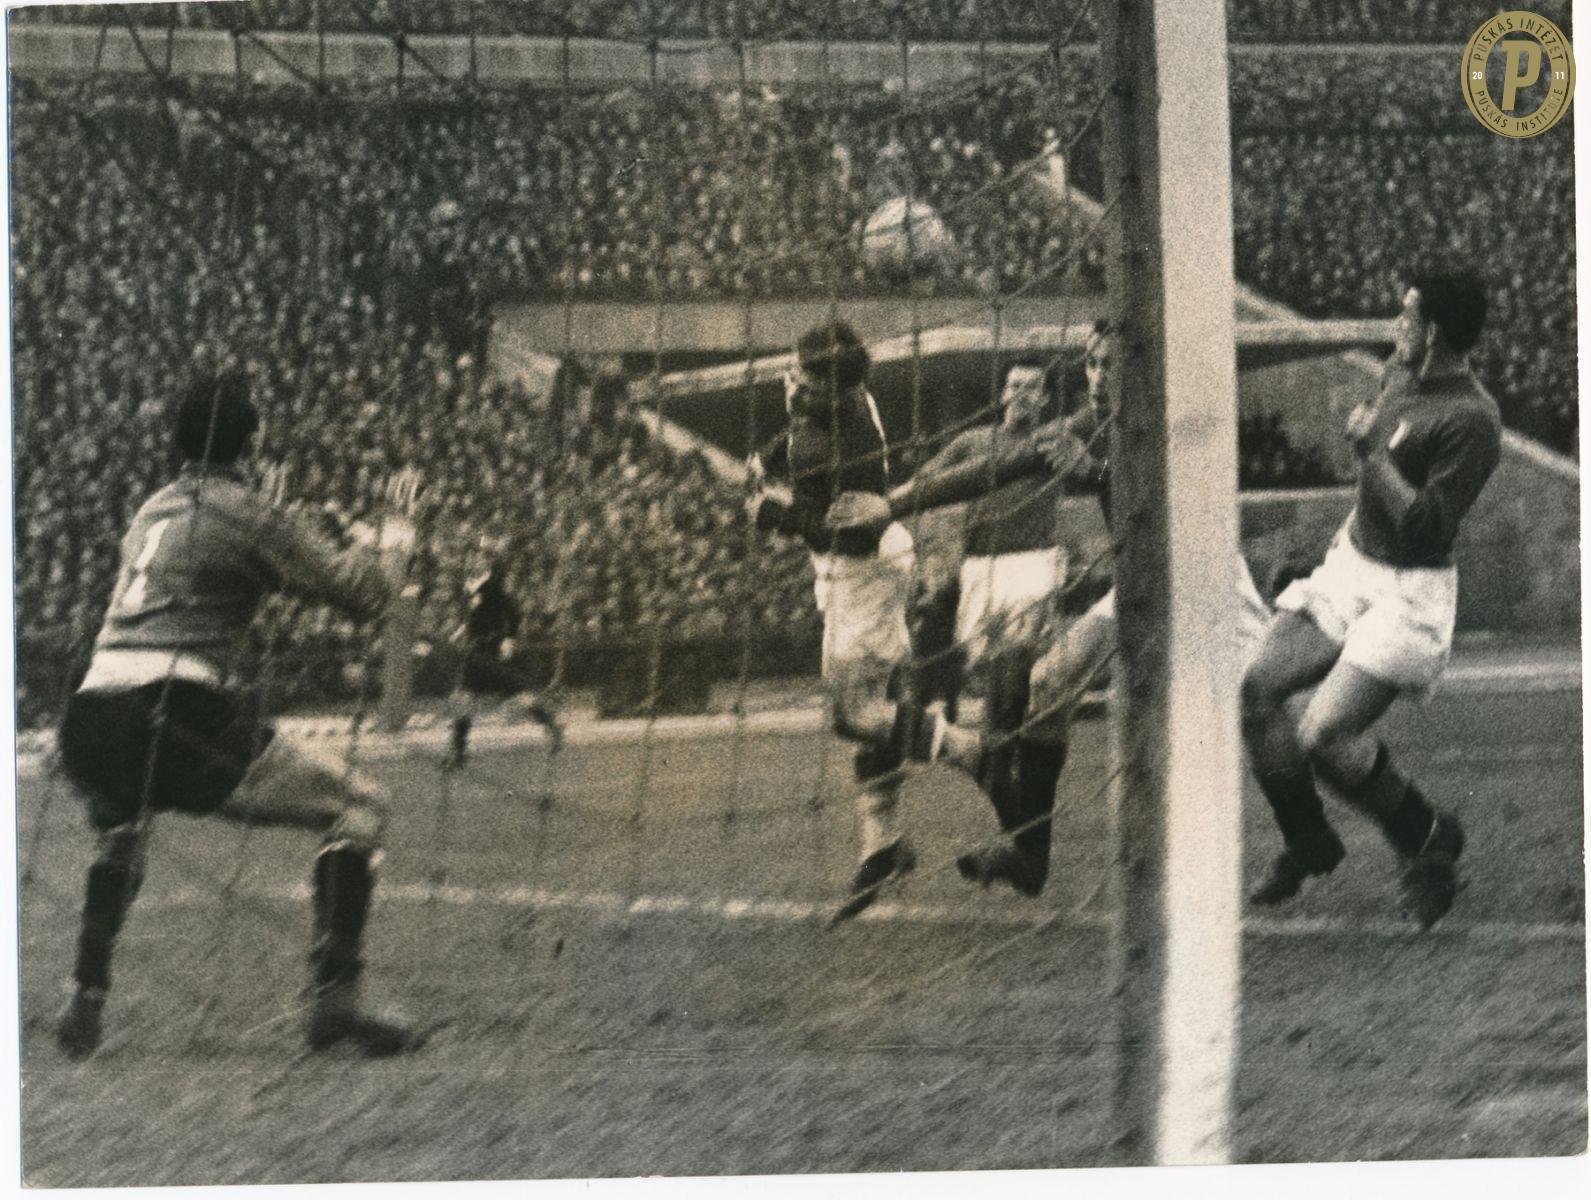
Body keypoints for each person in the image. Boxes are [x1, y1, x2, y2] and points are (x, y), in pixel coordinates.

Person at [53, 372, 428, 1060]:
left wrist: (274, 520)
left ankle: (85, 997)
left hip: (91, 714)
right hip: (172, 711)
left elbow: (206, 570)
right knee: (360, 808)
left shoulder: (150, 511)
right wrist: (395, 531)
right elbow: (363, 593)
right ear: (252, 444)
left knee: (124, 838)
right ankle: (334, 1001)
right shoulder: (251, 513)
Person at [1241, 271, 1501, 928]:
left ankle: (1425, 835)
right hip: (1350, 566)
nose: (1394, 325)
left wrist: (1370, 458)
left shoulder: (1473, 420)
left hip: (1409, 594)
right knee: (1256, 691)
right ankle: (1308, 840)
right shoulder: (1397, 372)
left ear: (1433, 332)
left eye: (1405, 315)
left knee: (1323, 734)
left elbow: (1426, 528)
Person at [746, 320, 918, 922]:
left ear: (830, 381)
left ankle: (972, 752)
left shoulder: (848, 439)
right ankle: (883, 845)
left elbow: (846, 535)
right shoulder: (834, 406)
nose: (790, 376)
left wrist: (774, 514)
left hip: (863, 569)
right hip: (852, 576)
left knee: (853, 713)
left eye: (801, 370)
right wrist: (769, 456)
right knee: (865, 721)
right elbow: (798, 433)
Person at [906, 362, 1075, 896]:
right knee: (999, 728)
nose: (1021, 394)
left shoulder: (1054, 439)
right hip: (980, 575)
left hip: (1030, 571)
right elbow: (926, 483)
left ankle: (1023, 846)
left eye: (1032, 388)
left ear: (1045, 400)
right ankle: (1023, 846)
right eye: (1014, 385)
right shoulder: (974, 442)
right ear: (1002, 393)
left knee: (1012, 699)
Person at [444, 547, 563, 771]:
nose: (474, 561)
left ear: (488, 564)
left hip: (491, 649)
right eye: (474, 557)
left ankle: (550, 724)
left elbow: (514, 613)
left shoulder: (493, 586)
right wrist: (460, 632)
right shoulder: (475, 586)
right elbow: (476, 618)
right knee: (466, 697)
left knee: (511, 694)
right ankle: (458, 751)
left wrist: (509, 639)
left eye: (479, 558)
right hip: (477, 650)